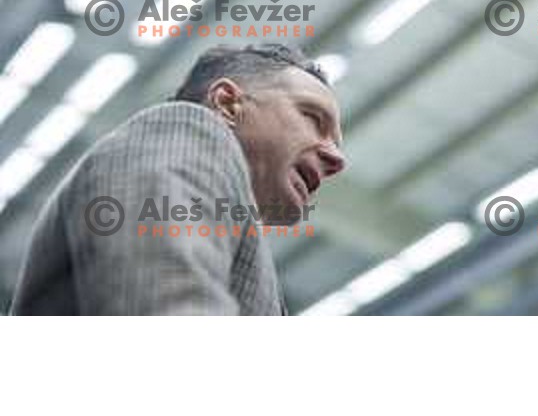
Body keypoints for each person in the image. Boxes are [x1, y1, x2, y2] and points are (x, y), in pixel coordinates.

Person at [11, 44, 346, 315]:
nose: (337, 159)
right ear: (227, 104)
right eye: (313, 118)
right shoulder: (188, 127)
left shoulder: (246, 254)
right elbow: (166, 297)